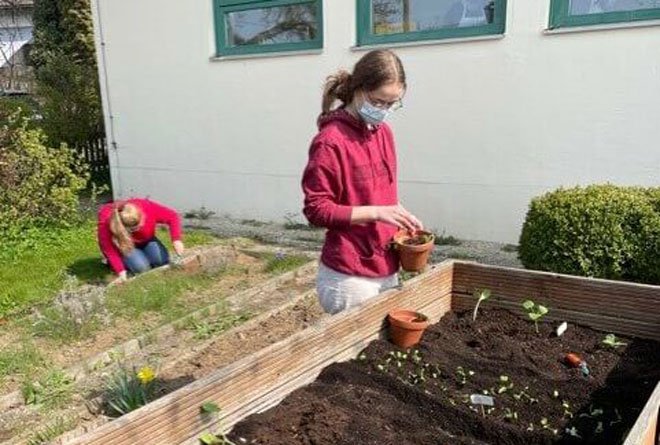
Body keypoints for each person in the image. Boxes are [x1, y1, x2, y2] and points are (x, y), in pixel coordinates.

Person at [302, 49, 423, 315]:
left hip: (386, 264)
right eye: (378, 101)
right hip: (350, 276)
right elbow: (316, 209)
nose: (384, 110)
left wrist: (399, 213)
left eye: (392, 104)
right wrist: (378, 212)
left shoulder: (383, 134)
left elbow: (378, 194)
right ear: (358, 89)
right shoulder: (330, 142)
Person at [97, 198, 185, 282]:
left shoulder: (147, 207)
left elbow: (173, 216)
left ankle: (142, 256)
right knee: (142, 269)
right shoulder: (107, 219)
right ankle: (116, 262)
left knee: (161, 261)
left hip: (147, 240)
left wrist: (176, 239)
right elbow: (108, 248)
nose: (139, 228)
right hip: (126, 245)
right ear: (124, 228)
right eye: (134, 229)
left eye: (140, 224)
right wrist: (121, 271)